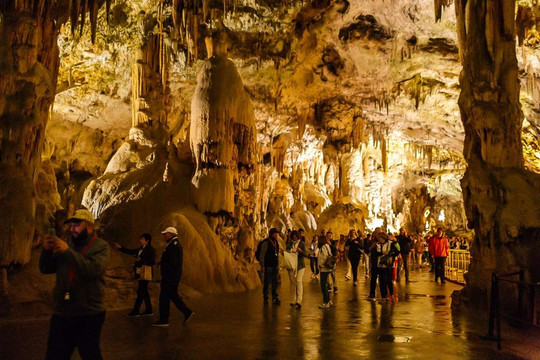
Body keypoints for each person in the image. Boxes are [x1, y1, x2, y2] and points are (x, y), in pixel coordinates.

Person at [40, 209, 110, 360]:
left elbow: (92, 269)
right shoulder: (67, 245)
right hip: (63, 312)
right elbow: (45, 269)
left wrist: (67, 252)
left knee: (90, 354)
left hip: (89, 313)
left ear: (90, 226)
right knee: (54, 355)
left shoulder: (101, 247)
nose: (72, 229)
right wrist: (46, 251)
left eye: (77, 225)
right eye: (71, 225)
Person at [152, 227, 194, 326]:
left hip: (170, 277)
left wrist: (166, 272)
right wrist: (160, 263)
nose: (164, 236)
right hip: (172, 276)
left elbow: (173, 261)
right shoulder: (172, 244)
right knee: (173, 296)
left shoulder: (174, 245)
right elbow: (169, 259)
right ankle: (187, 312)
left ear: (171, 234)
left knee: (164, 297)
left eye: (165, 234)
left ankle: (164, 319)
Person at [114, 233, 156, 317]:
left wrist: (140, 260)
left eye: (142, 239)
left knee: (141, 292)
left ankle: (136, 311)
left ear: (147, 241)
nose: (140, 240)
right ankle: (149, 310)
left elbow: (152, 261)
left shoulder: (150, 249)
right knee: (144, 292)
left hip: (145, 272)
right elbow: (131, 251)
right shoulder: (141, 248)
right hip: (140, 272)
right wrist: (121, 248)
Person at [286, 230, 307, 309]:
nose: (294, 237)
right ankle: (293, 299)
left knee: (298, 281)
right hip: (291, 266)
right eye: (293, 236)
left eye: (296, 236)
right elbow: (286, 253)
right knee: (292, 283)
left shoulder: (302, 244)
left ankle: (299, 300)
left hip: (300, 265)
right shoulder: (289, 244)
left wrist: (301, 251)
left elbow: (306, 254)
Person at [259, 228, 281, 305]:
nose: (277, 235)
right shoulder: (266, 242)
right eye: (276, 233)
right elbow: (262, 254)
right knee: (267, 282)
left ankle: (274, 297)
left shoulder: (276, 242)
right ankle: (266, 297)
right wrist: (262, 265)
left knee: (275, 282)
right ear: (273, 234)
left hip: (274, 265)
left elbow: (277, 253)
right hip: (268, 265)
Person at [317, 235, 333, 309]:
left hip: (324, 268)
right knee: (325, 284)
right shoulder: (327, 246)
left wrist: (320, 265)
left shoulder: (323, 247)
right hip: (327, 268)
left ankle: (326, 302)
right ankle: (328, 300)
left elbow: (323, 257)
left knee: (323, 285)